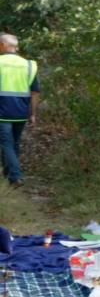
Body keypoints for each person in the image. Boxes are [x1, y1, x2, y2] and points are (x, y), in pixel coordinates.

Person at [0, 33, 40, 187]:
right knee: (14, 143)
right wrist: (33, 114)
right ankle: (8, 176)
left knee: (6, 144)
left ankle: (16, 176)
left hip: (2, 111)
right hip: (20, 112)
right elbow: (35, 92)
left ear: (3, 45)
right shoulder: (29, 65)